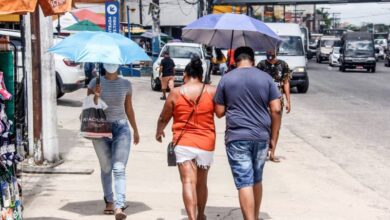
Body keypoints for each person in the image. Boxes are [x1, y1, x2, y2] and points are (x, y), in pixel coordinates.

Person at [214, 47, 282, 220]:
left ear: (236, 60)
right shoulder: (266, 78)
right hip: (261, 136)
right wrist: (274, 139)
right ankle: (255, 217)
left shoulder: (227, 79)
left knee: (245, 181)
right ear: (252, 60)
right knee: (257, 179)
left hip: (237, 137)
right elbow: (276, 109)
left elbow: (219, 112)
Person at [156, 56, 217, 220]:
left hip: (184, 142)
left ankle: (191, 217)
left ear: (186, 74)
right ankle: (201, 215)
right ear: (201, 75)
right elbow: (220, 113)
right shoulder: (212, 91)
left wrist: (159, 131)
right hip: (206, 141)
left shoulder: (176, 92)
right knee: (202, 182)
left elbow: (164, 117)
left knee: (188, 182)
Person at [87, 63, 140, 220]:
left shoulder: (126, 84)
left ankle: (119, 206)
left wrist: (135, 129)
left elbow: (128, 108)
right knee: (106, 167)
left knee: (118, 168)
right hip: (100, 128)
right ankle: (109, 200)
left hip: (121, 128)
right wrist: (96, 95)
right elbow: (89, 107)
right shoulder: (94, 83)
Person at [257, 49, 291, 162]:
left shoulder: (283, 65)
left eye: (272, 51)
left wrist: (288, 101)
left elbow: (286, 83)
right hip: (263, 101)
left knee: (276, 128)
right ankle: (265, 150)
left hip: (278, 101)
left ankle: (273, 153)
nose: (270, 53)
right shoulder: (261, 65)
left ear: (276, 51)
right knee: (264, 126)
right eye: (268, 51)